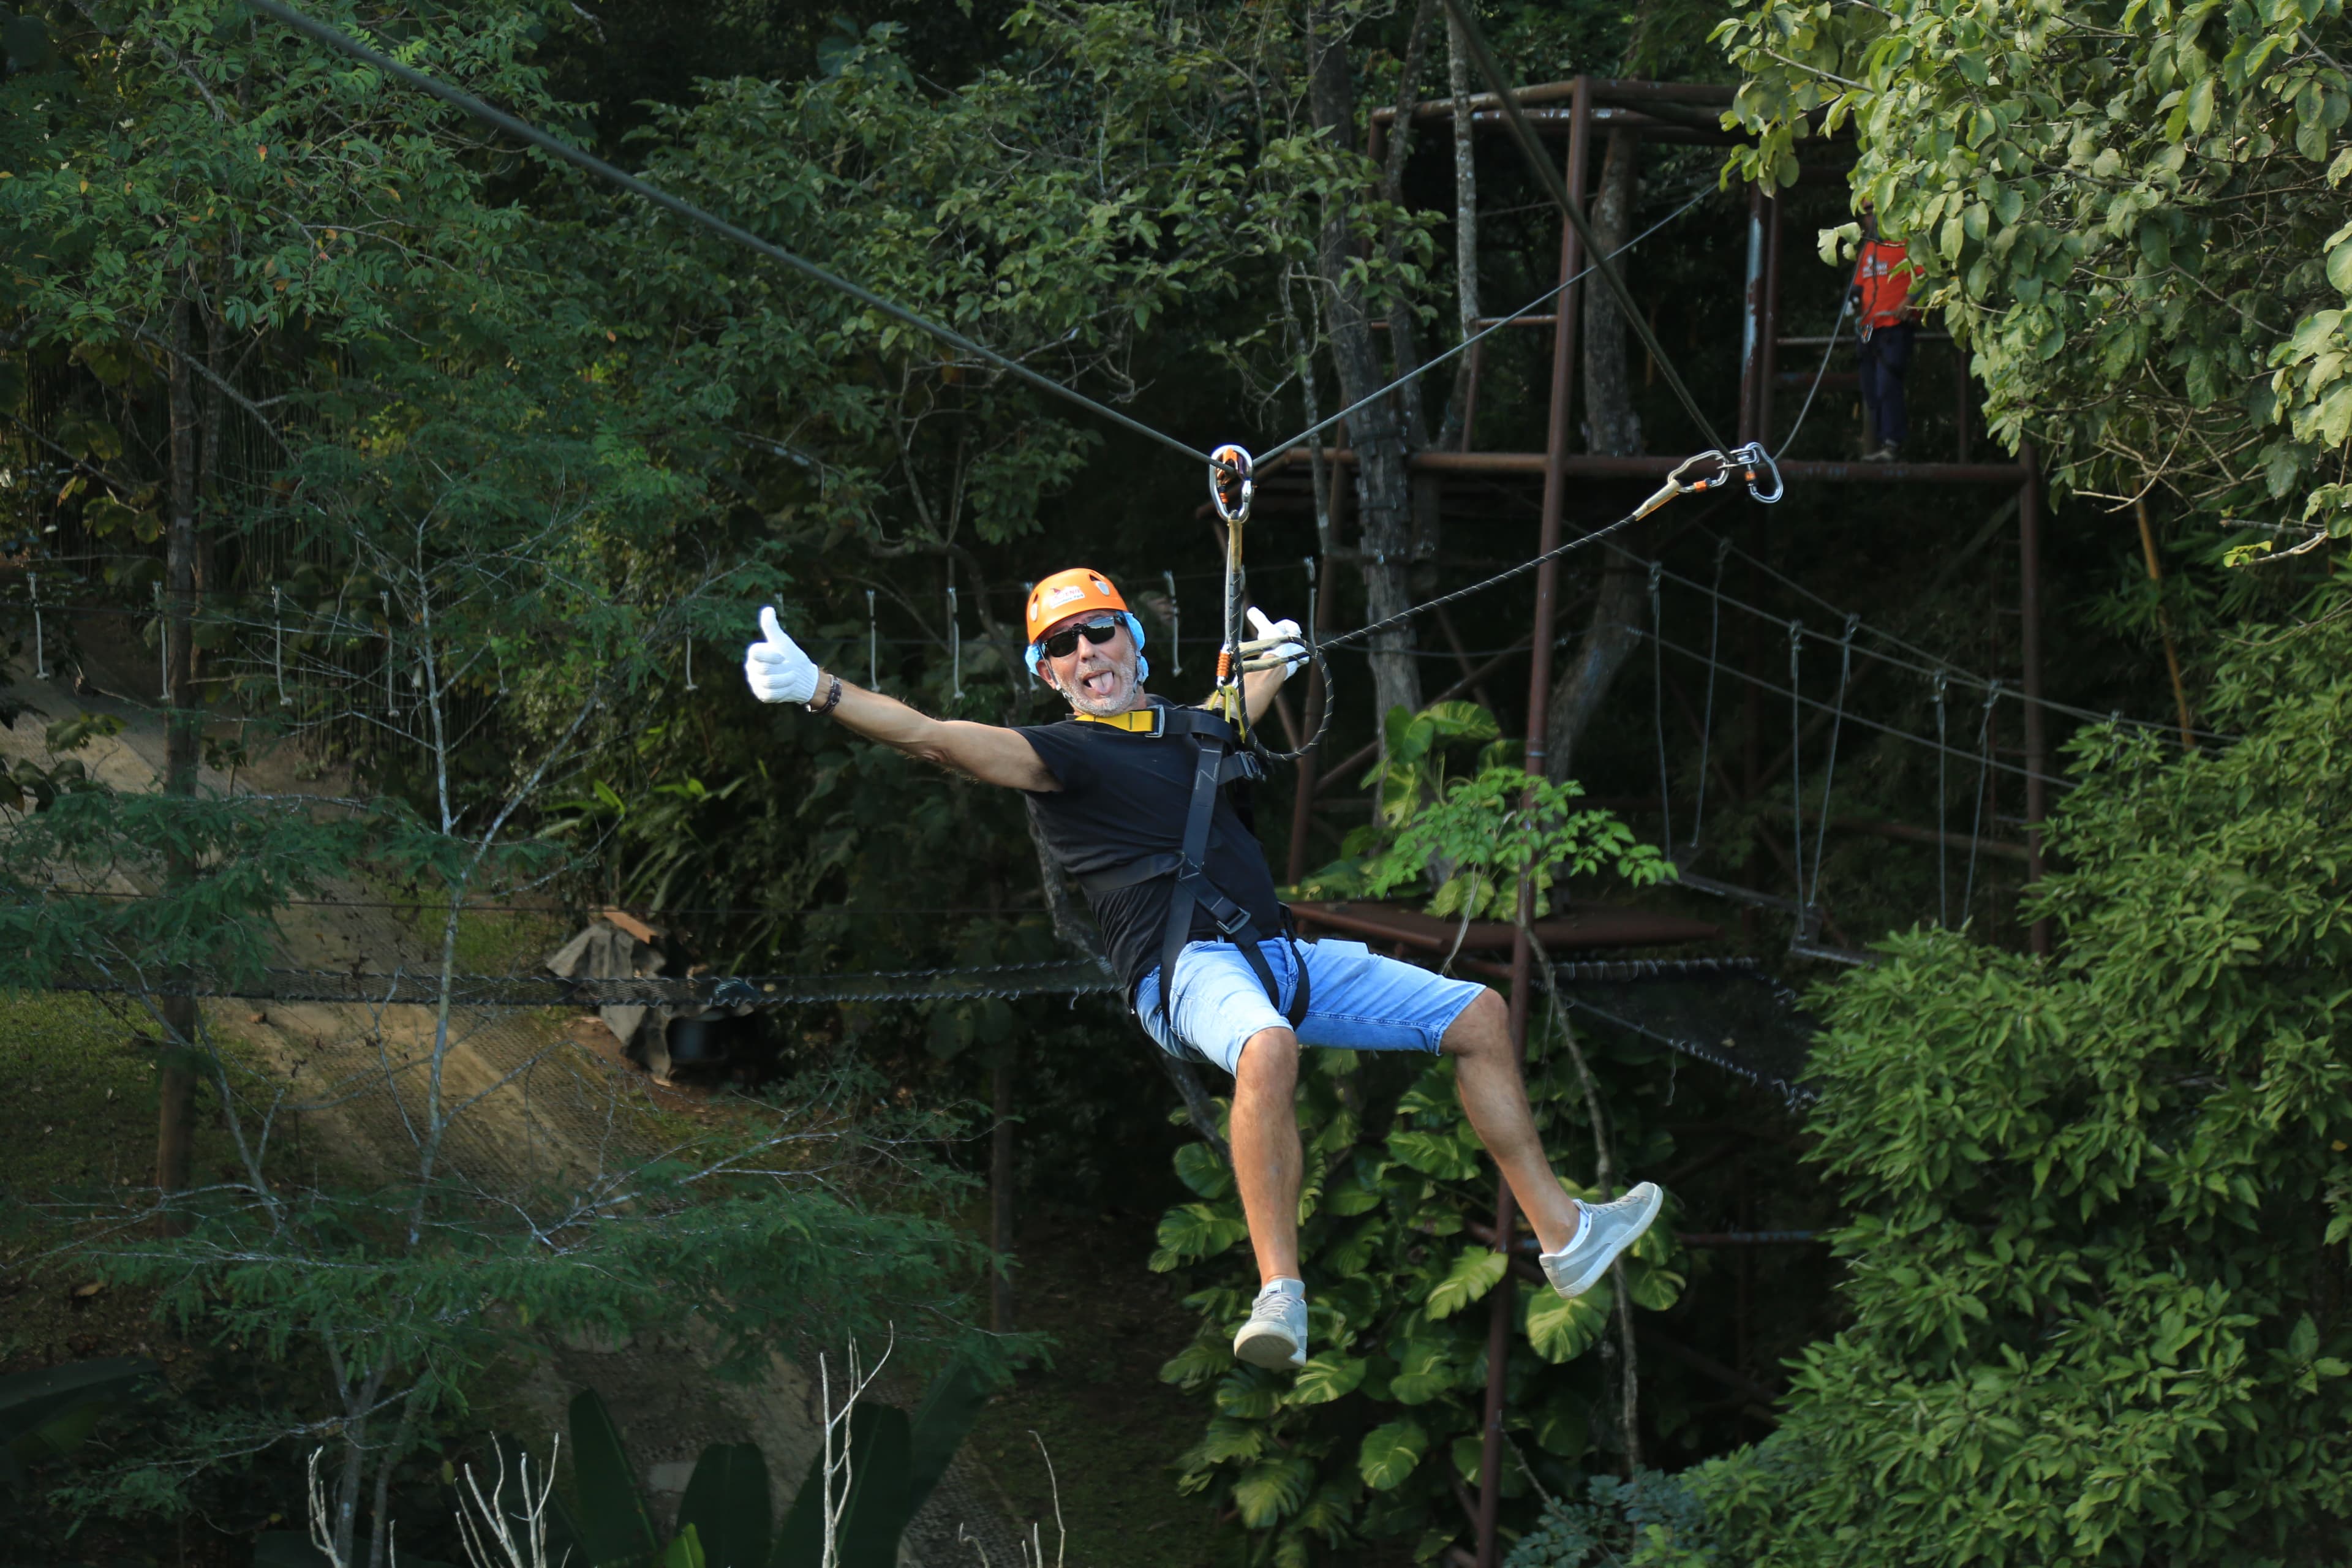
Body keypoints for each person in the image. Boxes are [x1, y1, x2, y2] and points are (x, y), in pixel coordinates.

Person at [742, 568, 1663, 1371]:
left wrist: (1273, 661)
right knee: (1265, 1049)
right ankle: (1281, 1296)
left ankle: (1565, 1234)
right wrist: (821, 690)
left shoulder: (1190, 729)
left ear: (1132, 643)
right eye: (1061, 646)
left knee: (1479, 1017)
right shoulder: (1058, 755)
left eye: (1098, 629)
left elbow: (1232, 716)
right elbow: (935, 737)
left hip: (1281, 958)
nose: (1085, 650)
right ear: (1049, 675)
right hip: (1186, 972)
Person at [1852, 200, 1919, 462]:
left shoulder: (1907, 244)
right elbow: (1858, 286)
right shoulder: (1868, 249)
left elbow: (1927, 276)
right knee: (1870, 386)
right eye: (1866, 215)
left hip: (1894, 326)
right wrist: (1853, 303)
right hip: (1868, 328)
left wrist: (1910, 300)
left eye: (1871, 212)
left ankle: (1892, 444)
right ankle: (1880, 443)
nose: (1868, 220)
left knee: (1888, 382)